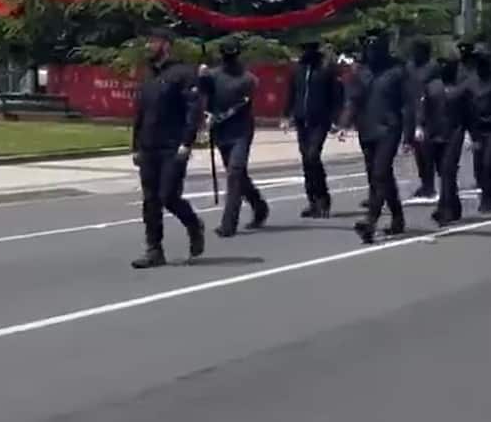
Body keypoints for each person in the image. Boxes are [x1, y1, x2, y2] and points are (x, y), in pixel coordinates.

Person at [130, 28, 205, 269]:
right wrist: (136, 146)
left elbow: (193, 111)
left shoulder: (182, 74)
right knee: (150, 200)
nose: (149, 46)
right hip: (149, 146)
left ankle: (193, 225)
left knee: (168, 196)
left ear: (166, 45)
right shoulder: (148, 76)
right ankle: (154, 250)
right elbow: (140, 113)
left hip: (173, 147)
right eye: (149, 41)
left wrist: (187, 142)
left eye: (154, 42)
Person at [204, 38, 269, 237]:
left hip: (241, 131)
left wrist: (219, 116)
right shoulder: (213, 76)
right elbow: (205, 99)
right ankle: (259, 206)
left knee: (234, 173)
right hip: (222, 132)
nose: (229, 60)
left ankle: (228, 224)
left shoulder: (248, 79)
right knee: (239, 176)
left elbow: (242, 104)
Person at [350, 30, 409, 243]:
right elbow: (353, 98)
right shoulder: (361, 71)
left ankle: (370, 221)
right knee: (380, 176)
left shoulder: (397, 70)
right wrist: (343, 122)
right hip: (366, 129)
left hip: (389, 128)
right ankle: (398, 218)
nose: (372, 52)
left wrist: (411, 133)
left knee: (380, 173)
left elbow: (408, 103)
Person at [283, 39, 343, 218]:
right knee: (306, 160)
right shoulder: (298, 70)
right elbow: (292, 93)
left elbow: (337, 96)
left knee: (313, 155)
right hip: (302, 119)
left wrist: (335, 120)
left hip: (320, 120)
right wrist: (286, 115)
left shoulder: (326, 69)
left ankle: (323, 198)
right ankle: (312, 200)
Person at [415, 52, 470, 226]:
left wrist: (471, 135)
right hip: (435, 134)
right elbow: (423, 108)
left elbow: (469, 114)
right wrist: (419, 126)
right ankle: (455, 205)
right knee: (444, 172)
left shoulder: (462, 89)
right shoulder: (432, 87)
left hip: (455, 133)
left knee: (448, 170)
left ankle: (445, 209)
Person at [466, 44, 491, 214]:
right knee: (480, 167)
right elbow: (467, 108)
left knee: (490, 163)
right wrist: (469, 133)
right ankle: (486, 198)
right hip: (477, 129)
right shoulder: (471, 83)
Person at [402, 37, 438, 199]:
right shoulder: (409, 67)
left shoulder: (432, 67)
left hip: (428, 111)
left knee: (427, 151)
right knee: (417, 150)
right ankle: (424, 182)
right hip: (410, 109)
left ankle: (430, 184)